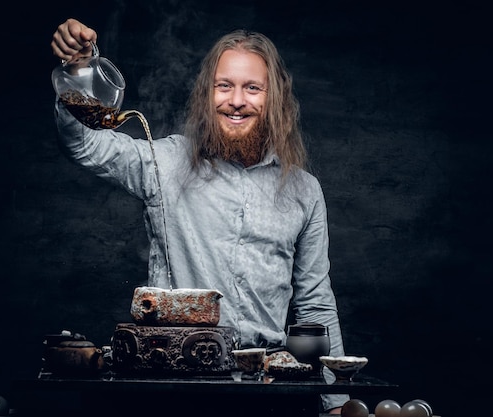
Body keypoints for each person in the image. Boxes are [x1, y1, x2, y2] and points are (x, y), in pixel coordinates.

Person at [51, 18, 348, 414]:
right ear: (207, 94)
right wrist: (78, 72)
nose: (237, 100)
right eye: (224, 86)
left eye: (252, 88)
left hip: (269, 391)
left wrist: (336, 403)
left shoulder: (304, 190)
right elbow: (84, 145)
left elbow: (314, 304)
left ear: (273, 97)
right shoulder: (166, 162)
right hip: (176, 387)